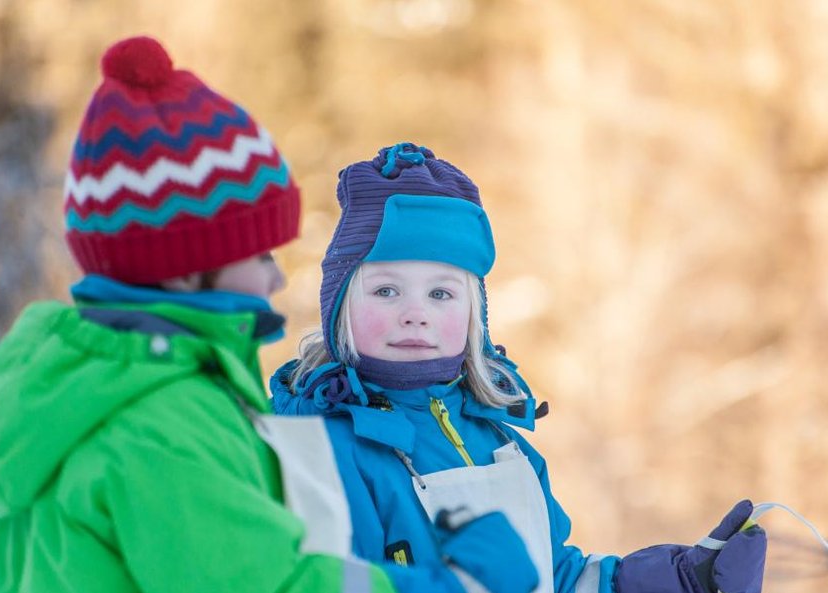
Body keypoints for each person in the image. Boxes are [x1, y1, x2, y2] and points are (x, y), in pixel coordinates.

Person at [0, 39, 537, 593]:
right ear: (186, 267)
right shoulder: (159, 420)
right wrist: (457, 586)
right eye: (259, 254)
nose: (275, 278)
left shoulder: (71, 391)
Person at [271, 142, 769, 593]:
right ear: (338, 309)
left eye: (441, 292)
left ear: (474, 318)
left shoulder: (504, 445)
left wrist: (682, 580)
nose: (415, 311)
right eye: (386, 290)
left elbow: (560, 579)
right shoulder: (319, 448)